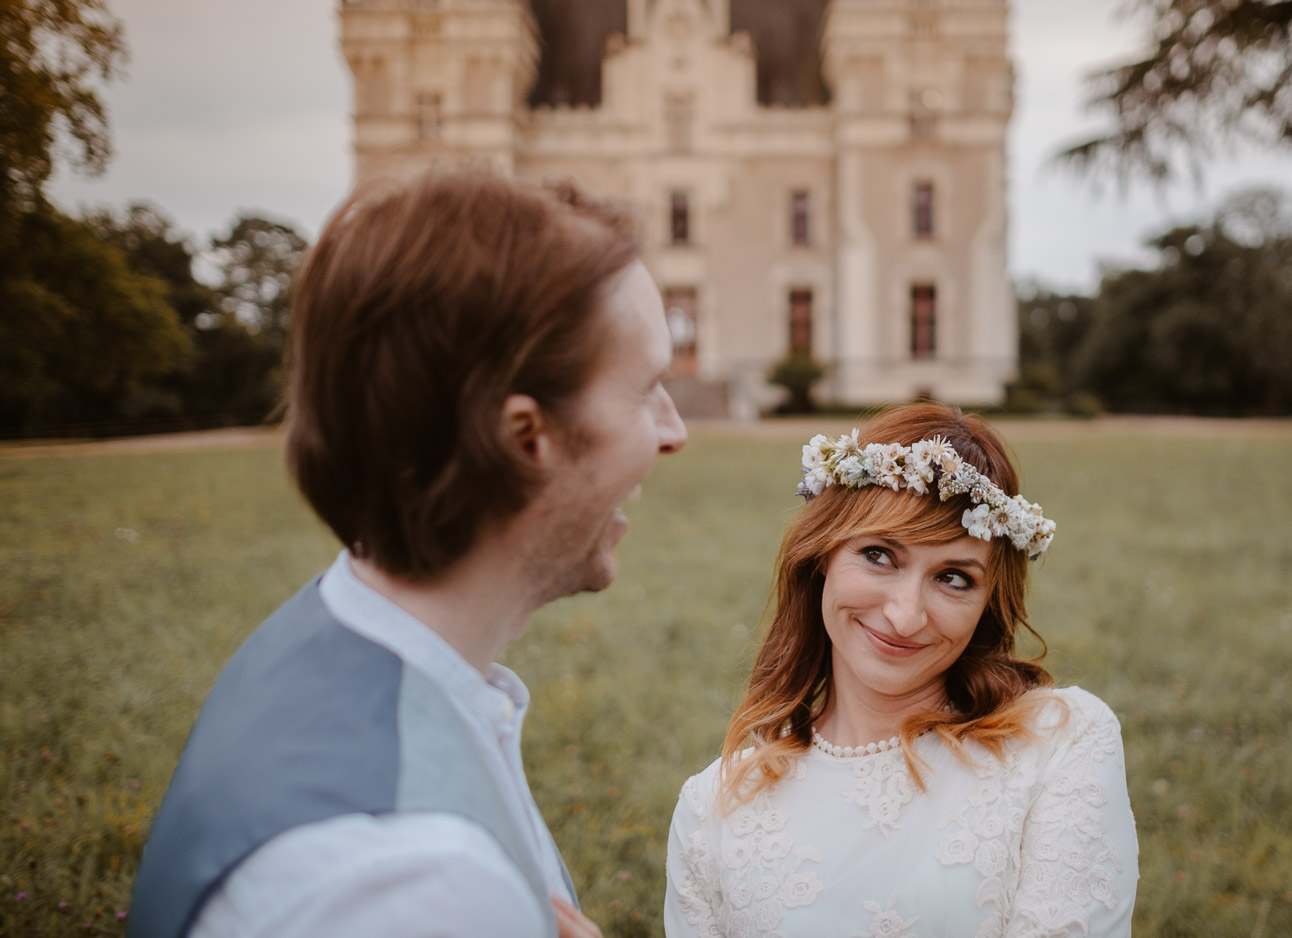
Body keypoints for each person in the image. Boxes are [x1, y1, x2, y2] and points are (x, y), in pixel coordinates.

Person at [129, 165, 686, 938]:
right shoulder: (411, 882)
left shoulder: (332, 633)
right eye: (644, 389)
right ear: (528, 436)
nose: (673, 432)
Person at [664, 402, 1138, 937]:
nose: (905, 616)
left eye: (954, 578)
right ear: (823, 553)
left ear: (988, 602)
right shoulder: (713, 809)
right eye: (879, 555)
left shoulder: (1058, 743)